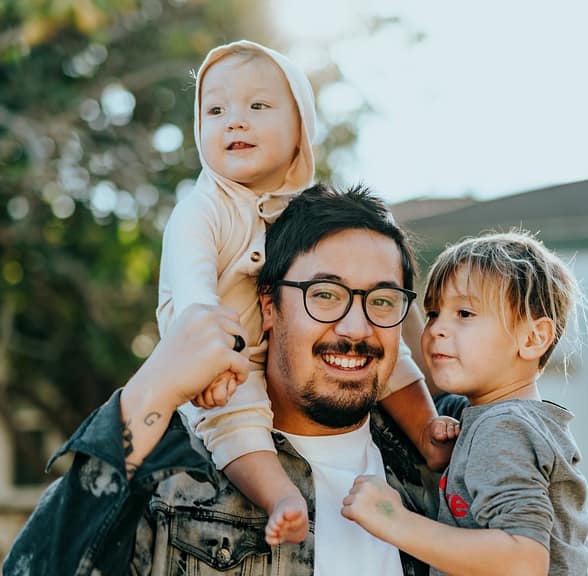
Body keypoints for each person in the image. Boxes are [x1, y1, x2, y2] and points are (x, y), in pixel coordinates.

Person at [4, 184, 454, 576]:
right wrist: (155, 384)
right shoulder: (177, 477)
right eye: (325, 295)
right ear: (269, 305)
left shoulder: (451, 463)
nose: (355, 328)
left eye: (381, 300)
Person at [156, 40, 454, 546]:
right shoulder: (202, 209)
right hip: (221, 361)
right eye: (216, 110)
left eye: (257, 106)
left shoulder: (306, 214)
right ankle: (280, 496)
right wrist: (211, 363)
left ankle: (427, 431)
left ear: (301, 131)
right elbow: (194, 297)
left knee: (389, 348)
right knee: (236, 420)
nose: (235, 121)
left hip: (265, 350)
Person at [342, 231, 588, 576]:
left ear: (533, 338)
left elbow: (524, 561)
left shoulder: (504, 429)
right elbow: (422, 371)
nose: (436, 330)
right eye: (432, 313)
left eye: (464, 313)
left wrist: (395, 521)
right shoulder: (487, 416)